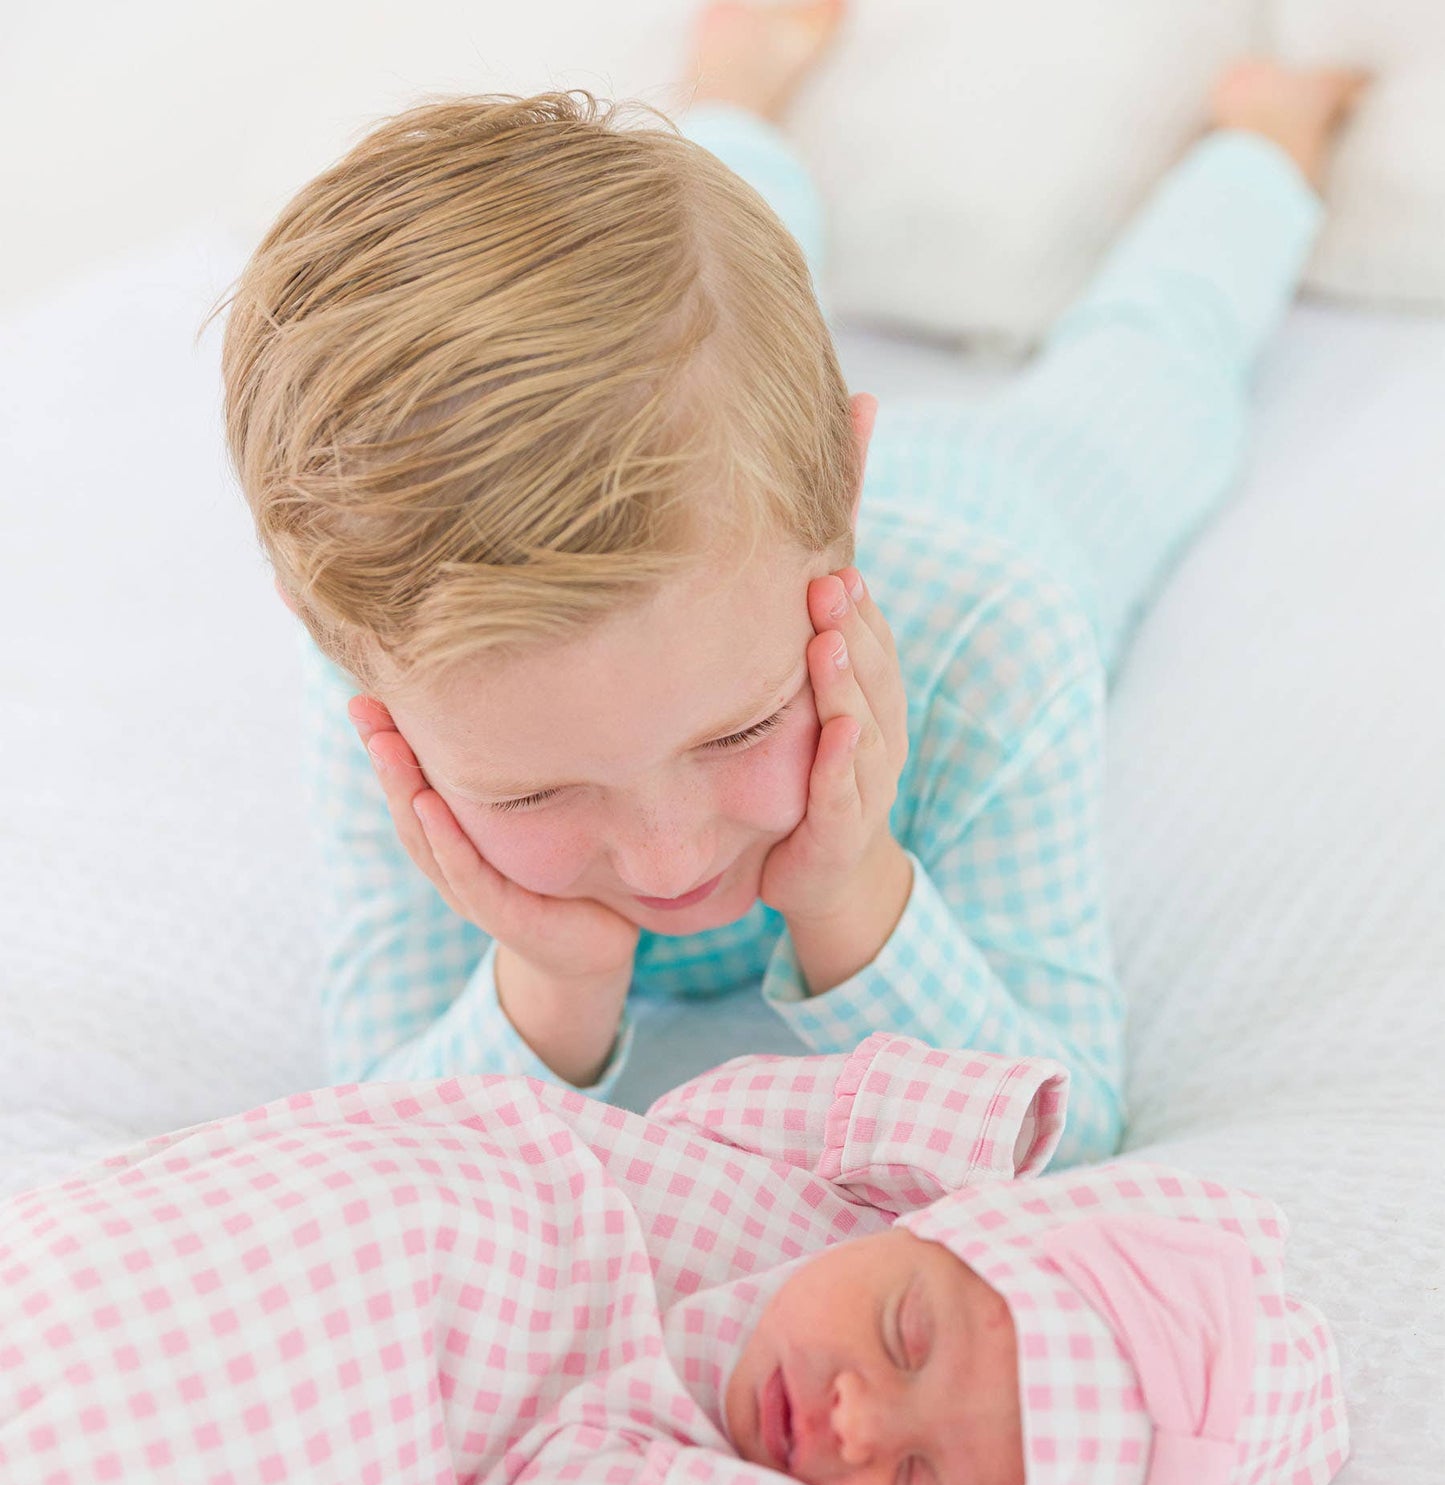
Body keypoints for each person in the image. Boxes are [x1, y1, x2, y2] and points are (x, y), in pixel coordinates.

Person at [219, 4, 1367, 1167]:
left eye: (742, 728)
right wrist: (548, 982)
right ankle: (737, 80)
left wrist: (851, 895)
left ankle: (1264, 145)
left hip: (983, 506)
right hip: (752, 517)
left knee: (1150, 369)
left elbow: (1060, 1138)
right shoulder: (404, 698)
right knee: (713, 307)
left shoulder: (992, 637)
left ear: (846, 504)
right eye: (531, 799)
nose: (668, 859)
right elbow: (376, 1157)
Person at [0, 1034, 1345, 1485]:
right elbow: (753, 1107)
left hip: (384, 1401)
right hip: (391, 1205)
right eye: (905, 1331)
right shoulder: (815, 1193)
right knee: (90, 1270)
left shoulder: (682, 1457)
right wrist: (938, 1123)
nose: (851, 1418)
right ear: (933, 1227)